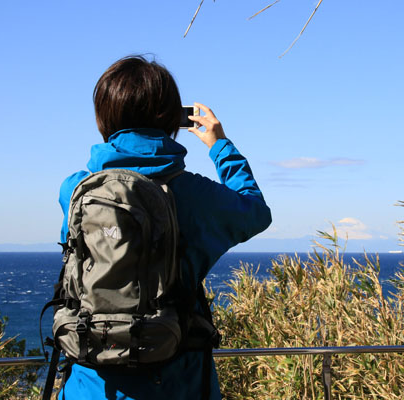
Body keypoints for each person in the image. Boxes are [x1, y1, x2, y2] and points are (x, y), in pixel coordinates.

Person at [57, 55, 272, 399]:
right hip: (177, 381)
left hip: (92, 383)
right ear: (173, 118)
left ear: (103, 117)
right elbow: (256, 211)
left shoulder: (74, 190)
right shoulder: (193, 195)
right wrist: (220, 145)